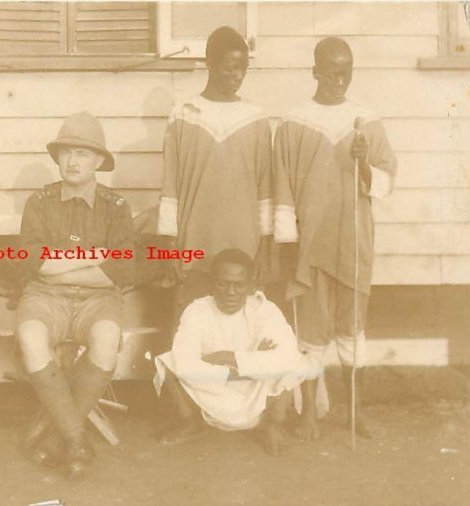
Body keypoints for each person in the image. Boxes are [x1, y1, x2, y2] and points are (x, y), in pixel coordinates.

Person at [273, 37, 397, 441]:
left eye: (347, 72)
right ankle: (308, 412)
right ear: (315, 72)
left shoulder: (366, 122)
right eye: (332, 73)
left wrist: (363, 165)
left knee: (352, 330)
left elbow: (385, 179)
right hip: (311, 246)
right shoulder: (293, 123)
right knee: (311, 332)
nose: (340, 81)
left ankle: (355, 410)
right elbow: (283, 185)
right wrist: (288, 239)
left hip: (353, 243)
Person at [16, 112, 135, 478]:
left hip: (98, 300)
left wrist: (63, 261)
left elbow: (119, 270)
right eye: (66, 152)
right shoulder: (40, 202)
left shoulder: (115, 207)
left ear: (99, 160)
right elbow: (36, 265)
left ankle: (58, 436)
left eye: (83, 153)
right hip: (45, 295)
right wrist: (94, 256)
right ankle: (77, 440)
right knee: (30, 335)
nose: (73, 161)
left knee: (107, 336)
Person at [157, 26, 273, 319]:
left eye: (243, 69)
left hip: (243, 243)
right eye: (230, 68)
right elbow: (170, 188)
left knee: (242, 325)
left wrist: (266, 245)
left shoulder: (256, 119)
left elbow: (264, 190)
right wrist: (169, 247)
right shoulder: (184, 114)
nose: (238, 77)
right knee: (192, 320)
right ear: (209, 63)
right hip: (194, 243)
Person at [154, 249, 306, 456]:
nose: (231, 292)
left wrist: (226, 357)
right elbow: (185, 363)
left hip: (257, 393)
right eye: (222, 283)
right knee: (168, 362)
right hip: (213, 391)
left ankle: (272, 425)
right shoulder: (197, 310)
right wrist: (252, 364)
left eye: (239, 285)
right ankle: (192, 423)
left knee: (297, 363)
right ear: (211, 283)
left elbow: (287, 356)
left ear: (251, 285)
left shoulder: (264, 310)